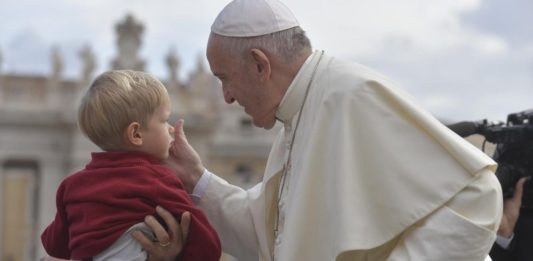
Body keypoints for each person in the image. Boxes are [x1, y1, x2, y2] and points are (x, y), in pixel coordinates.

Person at [136, 0, 504, 260]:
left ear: (260, 65)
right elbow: (272, 238)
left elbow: (478, 196)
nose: (227, 97)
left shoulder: (351, 94)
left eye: (225, 79)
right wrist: (197, 178)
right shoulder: (293, 119)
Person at [41, 70, 221, 261]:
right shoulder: (158, 180)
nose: (170, 128)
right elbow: (207, 246)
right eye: (164, 120)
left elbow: (53, 244)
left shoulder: (71, 186)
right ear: (135, 134)